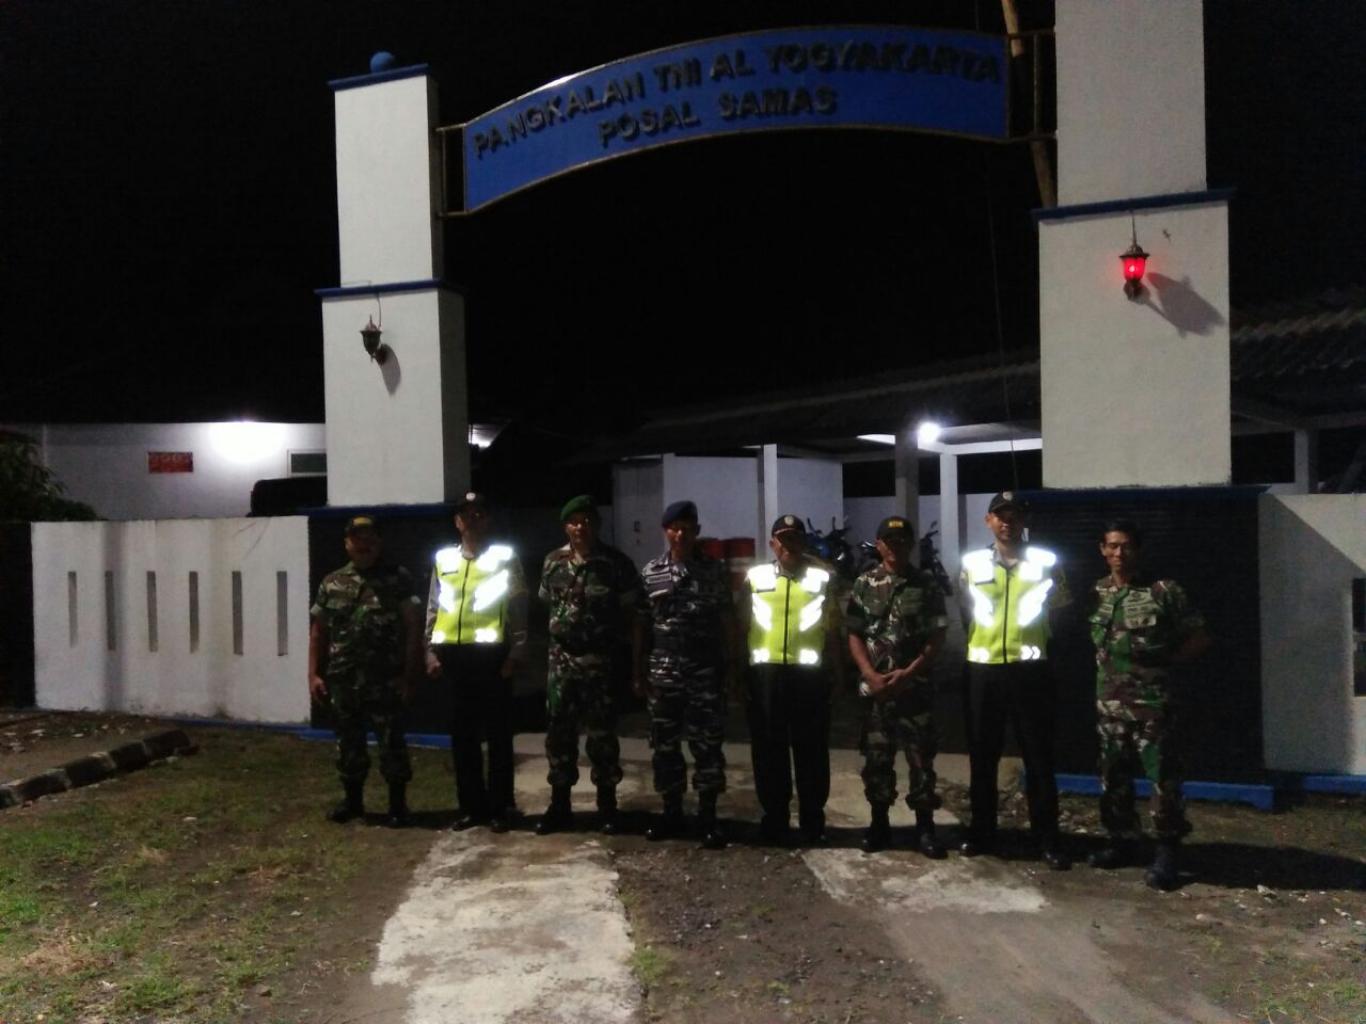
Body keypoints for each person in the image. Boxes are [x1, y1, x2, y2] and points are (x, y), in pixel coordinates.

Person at [1088, 519, 1211, 890]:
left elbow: (1199, 637)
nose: (1119, 553)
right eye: (1112, 546)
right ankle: (1122, 840)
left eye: (1126, 546)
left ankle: (1167, 851)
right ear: (1102, 550)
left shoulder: (1163, 591)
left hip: (1153, 705)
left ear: (1137, 550)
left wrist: (1165, 664)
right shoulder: (1099, 591)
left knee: (1162, 779)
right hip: (1110, 706)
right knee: (1113, 777)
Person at [958, 491, 1073, 869]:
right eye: (1000, 515)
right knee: (982, 756)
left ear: (1024, 522)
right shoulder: (971, 564)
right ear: (989, 521)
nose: (1007, 522)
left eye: (1014, 516)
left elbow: (1061, 614)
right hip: (984, 671)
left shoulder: (1046, 563)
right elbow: (966, 612)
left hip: (1030, 671)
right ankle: (982, 832)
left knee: (1039, 758)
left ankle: (1047, 839)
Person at [535, 494, 646, 836]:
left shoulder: (616, 564)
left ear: (596, 525)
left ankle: (607, 806)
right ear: (565, 527)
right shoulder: (552, 562)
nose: (580, 528)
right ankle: (559, 805)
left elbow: (634, 617)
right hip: (562, 662)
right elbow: (546, 606)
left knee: (602, 736)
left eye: (586, 521)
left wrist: (635, 666)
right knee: (559, 735)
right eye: (574, 522)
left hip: (601, 662)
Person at [634, 500, 738, 849]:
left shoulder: (713, 571)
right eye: (674, 529)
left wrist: (733, 666)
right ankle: (671, 812)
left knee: (707, 746)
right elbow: (641, 624)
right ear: (666, 532)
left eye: (686, 529)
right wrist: (638, 669)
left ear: (697, 531)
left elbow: (727, 619)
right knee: (664, 745)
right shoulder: (651, 571)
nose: (680, 535)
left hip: (704, 671)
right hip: (664, 672)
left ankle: (708, 817)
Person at [308, 515, 422, 828]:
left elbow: (413, 627)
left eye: (370, 538)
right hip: (343, 680)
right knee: (348, 743)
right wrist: (313, 674)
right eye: (357, 538)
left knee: (391, 744)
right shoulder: (332, 582)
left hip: (385, 679)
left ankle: (397, 806)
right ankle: (353, 802)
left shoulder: (397, 579)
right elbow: (318, 631)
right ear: (347, 543)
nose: (364, 544)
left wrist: (410, 674)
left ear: (379, 542)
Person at [738, 515, 845, 845]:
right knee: (769, 750)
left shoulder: (822, 579)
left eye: (795, 538)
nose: (789, 545)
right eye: (783, 539)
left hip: (809, 676)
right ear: (773, 544)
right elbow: (740, 626)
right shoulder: (754, 578)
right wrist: (737, 673)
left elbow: (833, 629)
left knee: (811, 750)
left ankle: (813, 822)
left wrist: (839, 673)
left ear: (804, 542)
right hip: (765, 676)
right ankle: (775, 820)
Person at [424, 492, 528, 833]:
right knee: (463, 736)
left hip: (493, 657)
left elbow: (518, 607)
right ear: (457, 522)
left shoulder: (505, 558)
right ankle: (472, 808)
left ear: (488, 520)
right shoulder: (443, 559)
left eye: (479, 514)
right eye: (466, 515)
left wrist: (516, 653)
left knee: (498, 735)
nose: (472, 519)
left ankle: (500, 807)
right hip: (454, 658)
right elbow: (434, 606)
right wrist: (430, 651)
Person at [847, 515, 950, 856]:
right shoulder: (864, 583)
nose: (896, 548)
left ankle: (925, 828)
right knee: (877, 760)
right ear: (879, 546)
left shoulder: (926, 584)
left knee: (921, 761)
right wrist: (869, 674)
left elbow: (937, 635)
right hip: (877, 691)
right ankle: (879, 825)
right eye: (890, 542)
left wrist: (909, 672)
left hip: (914, 687)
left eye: (903, 542)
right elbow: (854, 633)